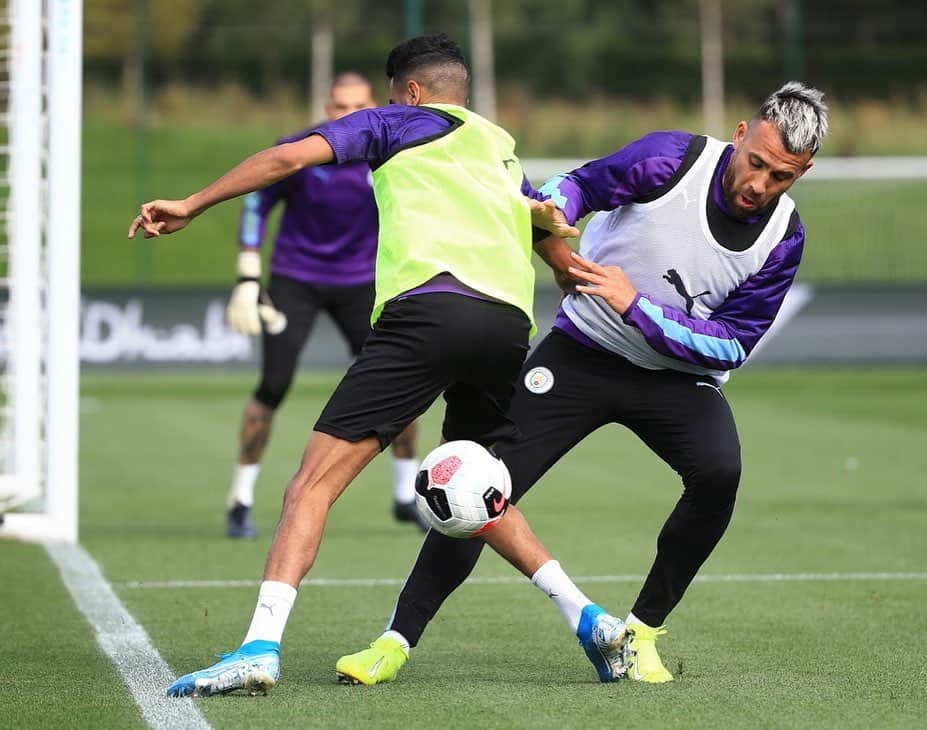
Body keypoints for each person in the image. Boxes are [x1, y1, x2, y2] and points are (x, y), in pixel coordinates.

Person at [128, 34, 592, 698]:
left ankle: (259, 648)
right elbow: (545, 231)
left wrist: (192, 204)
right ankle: (591, 619)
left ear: (407, 91)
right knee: (480, 495)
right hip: (504, 327)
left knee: (309, 487)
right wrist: (582, 278)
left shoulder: (393, 121)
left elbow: (288, 156)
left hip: (429, 309)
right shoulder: (497, 145)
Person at [335, 82, 829, 685]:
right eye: (757, 163)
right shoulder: (671, 159)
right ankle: (394, 640)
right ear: (742, 133)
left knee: (719, 474)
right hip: (582, 350)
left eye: (782, 177)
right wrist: (556, 219)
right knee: (482, 483)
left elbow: (732, 344)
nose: (760, 185)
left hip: (679, 380)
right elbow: (575, 187)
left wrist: (637, 306)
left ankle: (641, 633)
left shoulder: (784, 236)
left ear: (801, 172)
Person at [223, 72, 425, 538]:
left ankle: (403, 495)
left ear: (374, 106)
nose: (347, 115)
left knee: (405, 382)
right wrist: (248, 274)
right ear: (326, 109)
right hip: (297, 279)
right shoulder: (300, 149)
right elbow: (256, 204)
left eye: (357, 106)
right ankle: (241, 498)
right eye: (338, 106)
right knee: (273, 383)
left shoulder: (394, 153)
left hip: (362, 284)